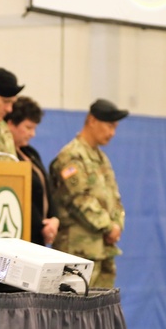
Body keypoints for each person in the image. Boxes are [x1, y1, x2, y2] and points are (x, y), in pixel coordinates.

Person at [49, 98, 129, 288]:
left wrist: (118, 224)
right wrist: (108, 227)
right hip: (77, 252)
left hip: (102, 250)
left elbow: (114, 197)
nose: (112, 133)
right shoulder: (72, 156)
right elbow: (79, 199)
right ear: (92, 120)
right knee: (72, 312)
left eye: (115, 127)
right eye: (109, 125)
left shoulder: (101, 158)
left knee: (100, 312)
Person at [6, 96, 59, 247]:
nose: (32, 134)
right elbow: (21, 197)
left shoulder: (31, 153)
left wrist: (54, 219)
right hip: (22, 236)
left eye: (34, 128)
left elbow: (47, 189)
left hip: (40, 237)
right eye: (28, 128)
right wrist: (41, 226)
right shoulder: (7, 158)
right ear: (10, 124)